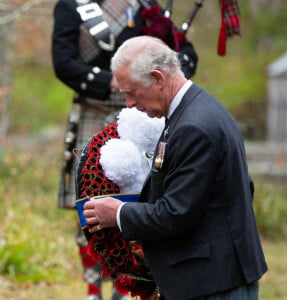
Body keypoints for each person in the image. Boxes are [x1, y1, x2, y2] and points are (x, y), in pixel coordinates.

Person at [83, 36, 268, 300]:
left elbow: (176, 214)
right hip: (212, 274)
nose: (129, 104)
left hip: (213, 282)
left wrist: (119, 213)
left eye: (132, 91)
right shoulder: (194, 111)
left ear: (157, 77)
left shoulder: (193, 125)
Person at [51, 1, 198, 299]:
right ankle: (94, 289)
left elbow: (183, 56)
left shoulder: (146, 5)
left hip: (143, 117)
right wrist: (113, 82)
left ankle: (128, 281)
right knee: (89, 208)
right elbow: (63, 62)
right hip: (94, 108)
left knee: (137, 200)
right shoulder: (72, 5)